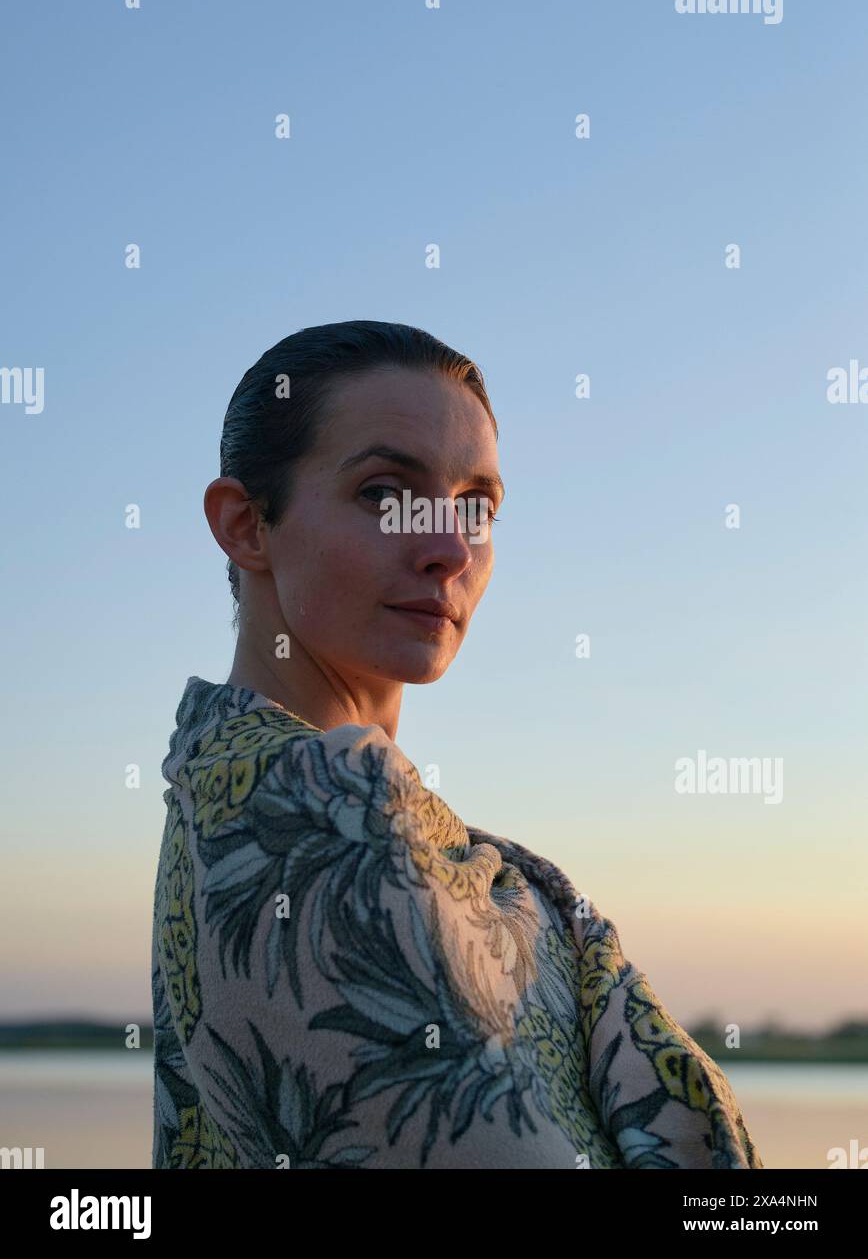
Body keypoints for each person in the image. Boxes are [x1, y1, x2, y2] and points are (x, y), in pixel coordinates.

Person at [151, 319, 763, 1169]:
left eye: (475, 507)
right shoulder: (304, 826)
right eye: (383, 494)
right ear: (246, 525)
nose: (448, 550)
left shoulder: (248, 801)